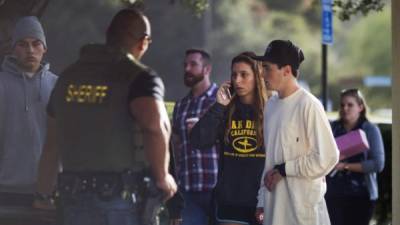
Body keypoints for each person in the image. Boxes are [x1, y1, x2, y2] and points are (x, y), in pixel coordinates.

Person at [34, 8, 177, 225]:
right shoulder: (138, 77)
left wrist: (43, 195)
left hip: (72, 199)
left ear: (108, 34)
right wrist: (163, 177)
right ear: (143, 41)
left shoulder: (67, 78)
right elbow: (154, 127)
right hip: (120, 200)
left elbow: (51, 145)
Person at [252, 40, 339, 225]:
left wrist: (285, 169)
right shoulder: (271, 106)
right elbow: (269, 160)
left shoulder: (309, 105)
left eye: (267, 68)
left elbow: (328, 157)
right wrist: (261, 201)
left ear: (286, 70)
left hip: (303, 213)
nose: (262, 73)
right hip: (273, 209)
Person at [190, 52, 268, 225]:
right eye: (234, 75)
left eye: (244, 75)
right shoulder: (225, 110)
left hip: (263, 203)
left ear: (257, 77)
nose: (237, 80)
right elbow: (198, 140)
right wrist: (219, 106)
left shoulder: (271, 110)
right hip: (229, 204)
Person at [0, 16, 57, 206]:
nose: (30, 50)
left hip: (50, 189)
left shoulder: (57, 85)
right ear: (13, 49)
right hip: (6, 188)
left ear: (45, 49)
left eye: (36, 44)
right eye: (23, 44)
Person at [172, 48, 219, 225]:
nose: (187, 69)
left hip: (217, 189)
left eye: (193, 64)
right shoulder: (181, 106)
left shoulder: (221, 101)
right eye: (185, 65)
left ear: (207, 69)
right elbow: (176, 146)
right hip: (189, 191)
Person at [325, 88, 385, 225]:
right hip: (333, 194)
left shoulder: (370, 129)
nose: (345, 108)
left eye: (350, 105)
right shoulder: (333, 128)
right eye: (342, 105)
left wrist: (345, 166)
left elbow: (378, 164)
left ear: (361, 107)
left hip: (361, 196)